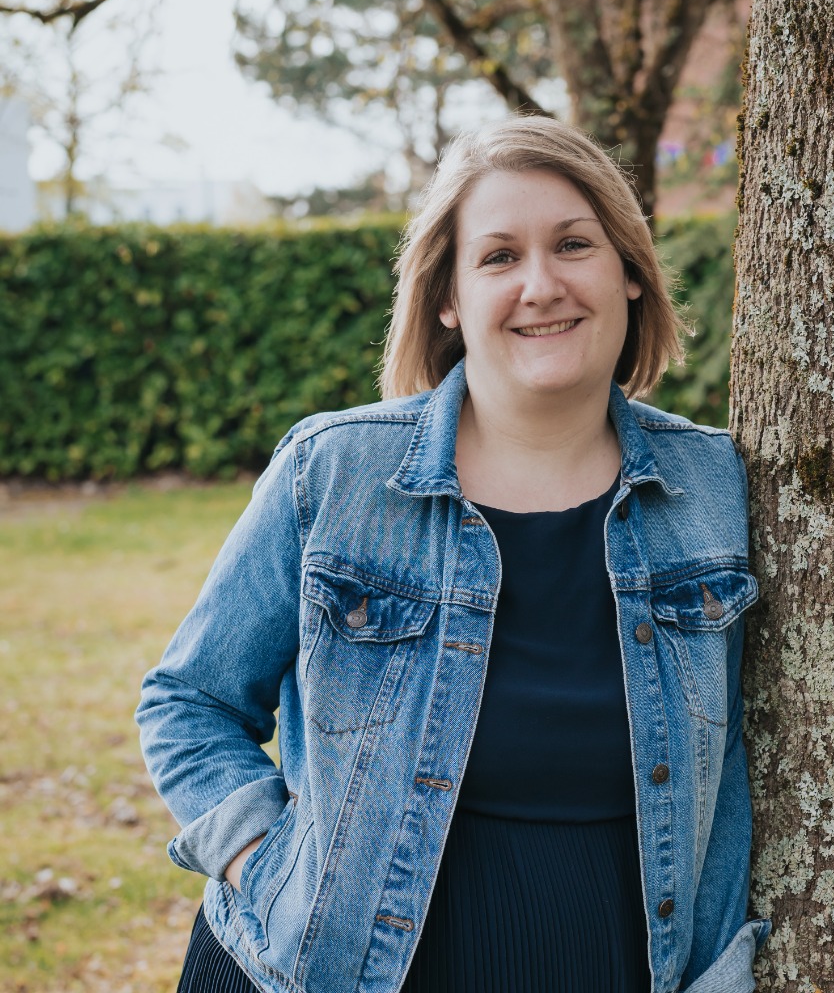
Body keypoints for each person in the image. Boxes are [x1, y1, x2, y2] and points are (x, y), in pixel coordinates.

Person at [136, 115, 770, 993]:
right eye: (499, 256)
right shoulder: (337, 472)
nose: (541, 284)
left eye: (574, 245)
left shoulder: (720, 488)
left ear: (630, 272)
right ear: (449, 297)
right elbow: (188, 700)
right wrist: (268, 870)